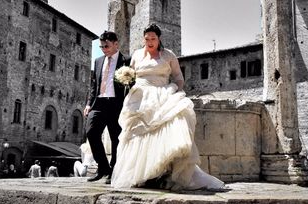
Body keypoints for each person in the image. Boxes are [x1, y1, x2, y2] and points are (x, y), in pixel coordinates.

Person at [111, 24, 224, 191]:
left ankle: (161, 171)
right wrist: (126, 80)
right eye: (147, 38)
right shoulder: (136, 55)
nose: (150, 41)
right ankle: (142, 174)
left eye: (153, 39)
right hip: (140, 96)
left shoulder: (168, 55)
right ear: (144, 39)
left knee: (172, 122)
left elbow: (178, 77)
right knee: (137, 134)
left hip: (162, 92)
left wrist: (175, 89)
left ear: (159, 39)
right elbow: (132, 74)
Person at [84, 30, 130, 183]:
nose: (104, 49)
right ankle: (103, 167)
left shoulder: (126, 61)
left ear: (116, 44)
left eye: (106, 46)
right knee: (91, 132)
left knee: (116, 138)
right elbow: (93, 85)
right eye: (101, 47)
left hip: (116, 105)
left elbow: (131, 85)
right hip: (99, 103)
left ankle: (113, 171)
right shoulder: (98, 61)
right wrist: (88, 104)